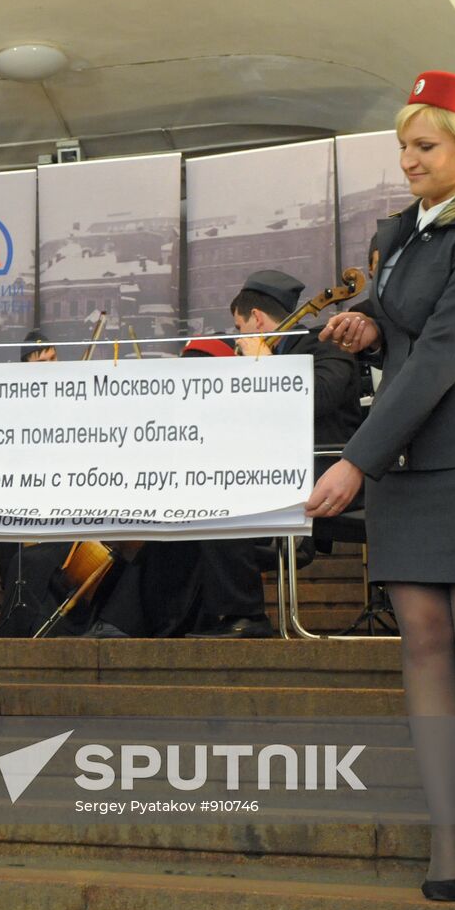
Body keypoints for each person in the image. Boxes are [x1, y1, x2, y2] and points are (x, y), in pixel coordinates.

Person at [314, 71, 455, 903]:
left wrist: (355, 460)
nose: (406, 160)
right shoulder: (400, 233)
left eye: (423, 145)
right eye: (403, 145)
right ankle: (447, 831)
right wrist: (367, 322)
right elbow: (398, 331)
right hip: (407, 461)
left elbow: (444, 355)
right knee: (424, 645)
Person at [185, 271, 363, 639]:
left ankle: (246, 615)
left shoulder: (323, 346)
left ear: (258, 319)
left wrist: (265, 368)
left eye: (239, 326)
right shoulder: (255, 360)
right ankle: (184, 618)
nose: (237, 337)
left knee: (220, 498)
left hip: (323, 473)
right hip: (268, 472)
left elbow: (318, 400)